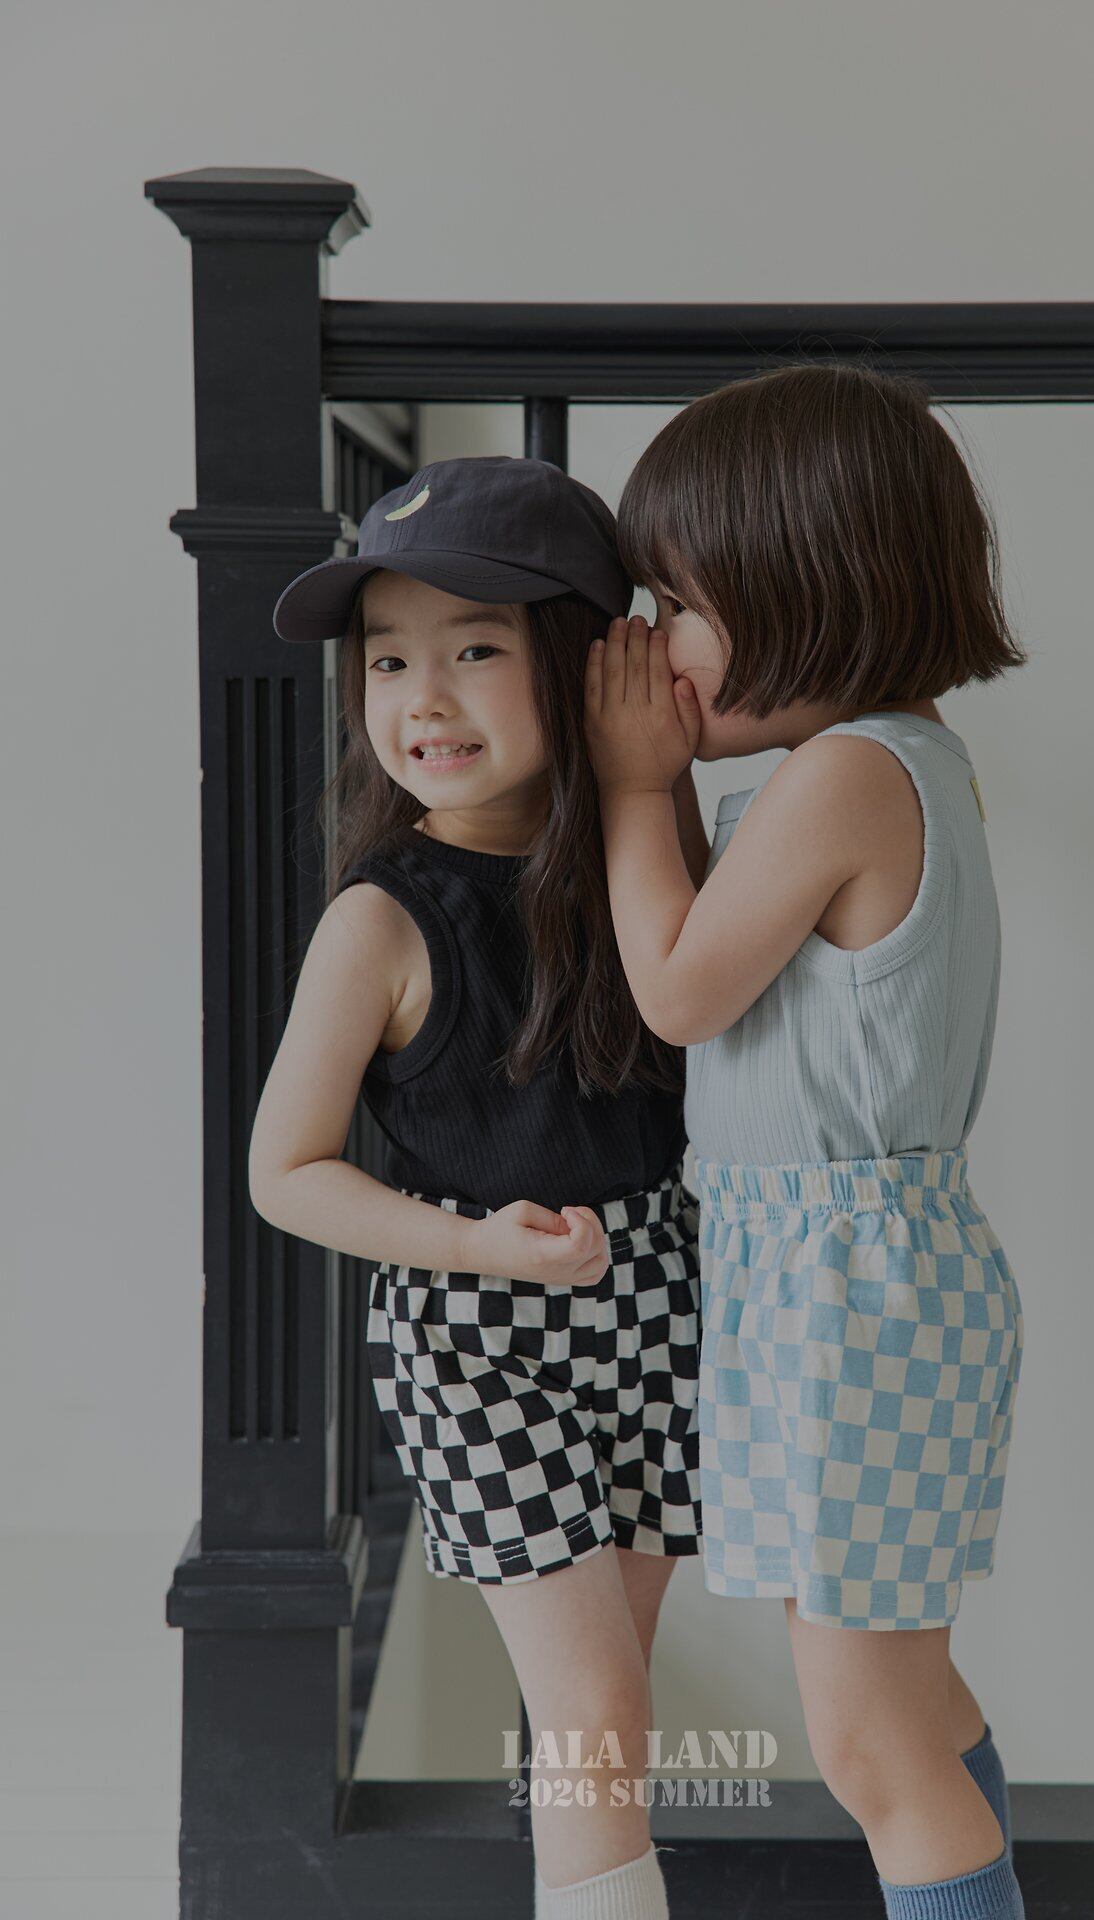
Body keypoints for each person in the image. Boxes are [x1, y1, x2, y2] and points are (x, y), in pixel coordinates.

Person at [583, 365, 1029, 1920]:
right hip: (850, 1291)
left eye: (680, 608)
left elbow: (679, 987)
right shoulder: (889, 761)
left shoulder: (850, 774)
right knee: (907, 1704)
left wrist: (632, 784)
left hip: (849, 1307)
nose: (656, 649)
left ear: (810, 589)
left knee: (869, 1740)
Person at [250, 455, 704, 1920]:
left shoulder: (644, 854)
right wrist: (483, 1248)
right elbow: (286, 1173)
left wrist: (646, 783)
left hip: (661, 1308)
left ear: (583, 662)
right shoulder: (381, 919)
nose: (422, 699)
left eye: (476, 650)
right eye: (388, 659)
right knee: (595, 1711)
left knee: (613, 1702)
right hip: (476, 1333)